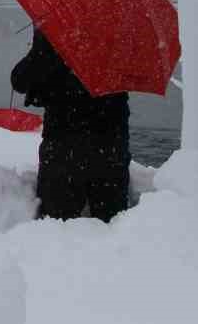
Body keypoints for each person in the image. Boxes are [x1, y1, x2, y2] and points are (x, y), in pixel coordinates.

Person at [10, 26, 130, 221]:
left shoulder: (57, 32)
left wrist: (40, 45)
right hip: (111, 150)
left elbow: (19, 80)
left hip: (64, 150)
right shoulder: (119, 37)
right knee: (113, 227)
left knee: (57, 229)